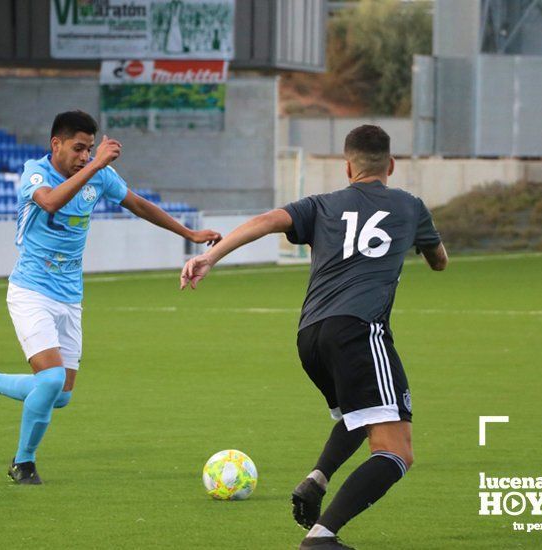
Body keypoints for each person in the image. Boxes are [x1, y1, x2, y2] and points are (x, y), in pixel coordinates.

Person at [179, 125, 448, 550]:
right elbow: (439, 261)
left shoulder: (320, 204)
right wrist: (428, 245)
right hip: (360, 331)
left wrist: (209, 256)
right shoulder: (411, 206)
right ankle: (321, 537)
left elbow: (264, 222)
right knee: (397, 451)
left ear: (347, 167)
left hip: (310, 335)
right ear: (391, 165)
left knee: (358, 417)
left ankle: (315, 479)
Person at [0, 110, 222, 484]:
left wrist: (190, 233)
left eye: (89, 150)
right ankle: (23, 463)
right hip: (31, 291)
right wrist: (98, 163)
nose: (84, 156)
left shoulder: (99, 175)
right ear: (56, 144)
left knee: (62, 395)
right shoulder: (35, 173)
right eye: (78, 148)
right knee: (50, 381)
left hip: (69, 298)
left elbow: (138, 204)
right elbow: (50, 202)